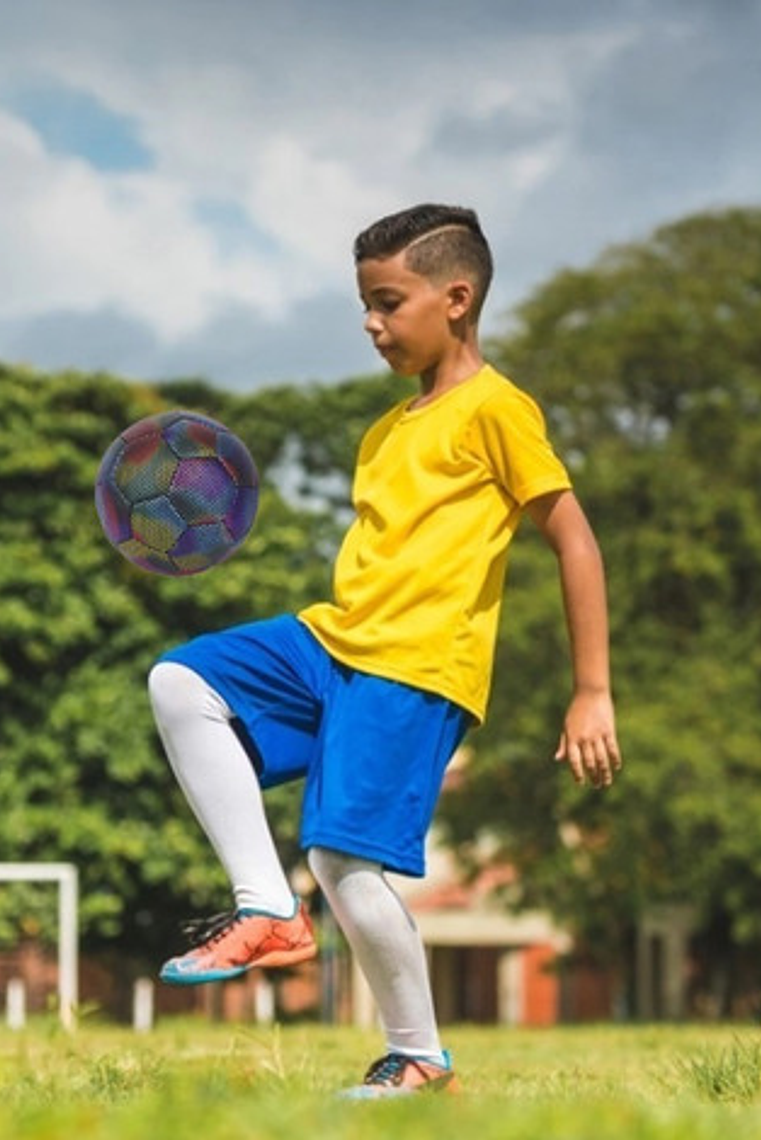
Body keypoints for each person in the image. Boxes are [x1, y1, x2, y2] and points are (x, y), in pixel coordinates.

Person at [147, 203, 621, 1098]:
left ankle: (419, 1057)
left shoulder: (498, 410)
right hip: (336, 642)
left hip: (414, 665)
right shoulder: (387, 431)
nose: (371, 321)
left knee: (341, 859)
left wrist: (591, 689)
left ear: (457, 297)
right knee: (182, 680)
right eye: (364, 302)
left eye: (387, 301)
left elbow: (576, 541)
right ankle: (268, 911)